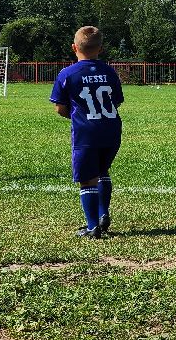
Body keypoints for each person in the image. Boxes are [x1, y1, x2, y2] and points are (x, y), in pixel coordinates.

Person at [50, 26, 125, 239]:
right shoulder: (110, 71)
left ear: (74, 47)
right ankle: (103, 214)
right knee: (103, 170)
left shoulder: (68, 74)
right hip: (111, 130)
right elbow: (116, 101)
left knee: (87, 179)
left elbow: (60, 107)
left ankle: (93, 228)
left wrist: (76, 116)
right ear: (100, 49)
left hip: (86, 132)